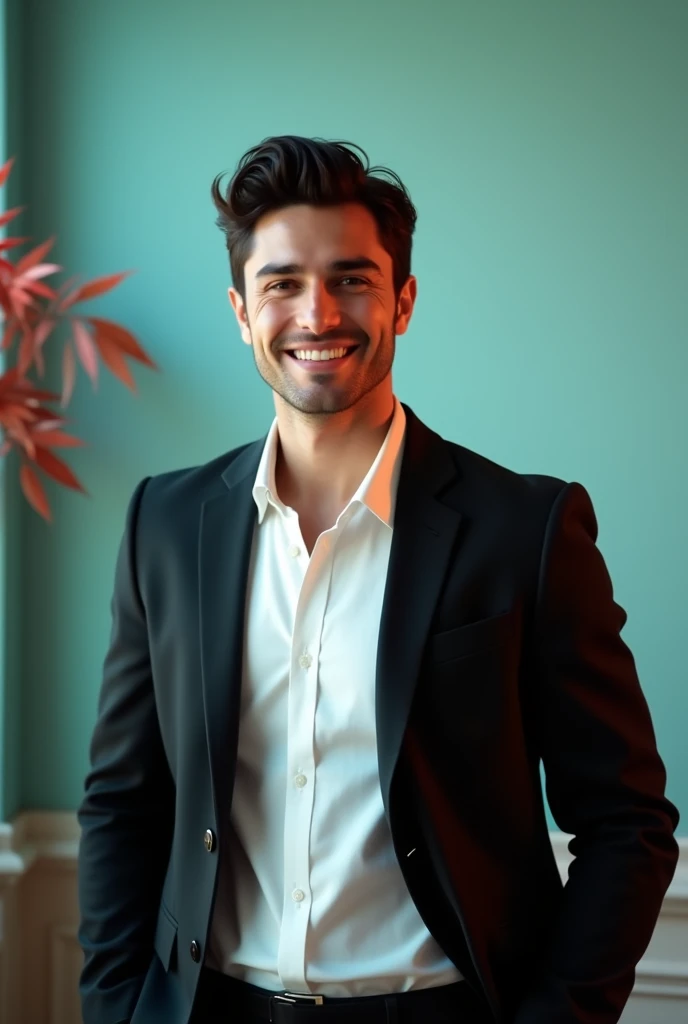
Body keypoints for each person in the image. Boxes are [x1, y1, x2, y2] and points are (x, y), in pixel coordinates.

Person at [77, 135, 679, 1024]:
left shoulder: (528, 531)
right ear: (242, 310)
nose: (318, 313)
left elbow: (628, 822)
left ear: (402, 299)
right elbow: (123, 804)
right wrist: (116, 1008)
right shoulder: (162, 526)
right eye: (282, 283)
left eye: (352, 278)